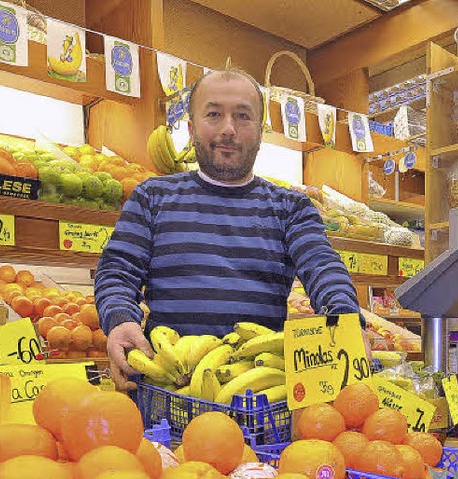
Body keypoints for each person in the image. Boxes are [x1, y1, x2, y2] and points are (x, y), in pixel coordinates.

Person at [95, 67, 363, 391]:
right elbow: (117, 270)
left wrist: (343, 316)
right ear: (192, 128)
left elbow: (321, 263)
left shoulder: (292, 208)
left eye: (242, 116)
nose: (228, 129)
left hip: (258, 393)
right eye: (213, 114)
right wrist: (120, 319)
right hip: (168, 387)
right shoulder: (152, 197)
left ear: (261, 132)